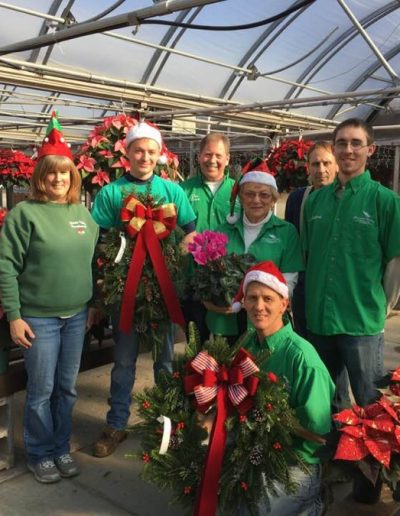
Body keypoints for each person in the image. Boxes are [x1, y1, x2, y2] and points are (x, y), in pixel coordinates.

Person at [0, 113, 99, 483]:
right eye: (51, 172)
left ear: (73, 176)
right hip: (39, 318)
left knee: (67, 388)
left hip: (76, 317)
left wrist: (92, 305)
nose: (58, 179)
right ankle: (40, 453)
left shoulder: (82, 214)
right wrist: (15, 315)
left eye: (65, 172)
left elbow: (91, 262)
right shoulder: (24, 214)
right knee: (40, 390)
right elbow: (6, 266)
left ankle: (60, 447)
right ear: (40, 175)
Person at [91, 121, 196, 457]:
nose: (145, 156)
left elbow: (192, 232)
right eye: (139, 150)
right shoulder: (111, 193)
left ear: (159, 155)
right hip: (125, 294)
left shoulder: (172, 191)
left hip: (162, 294)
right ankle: (117, 423)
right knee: (123, 363)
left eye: (152, 151)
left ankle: (165, 425)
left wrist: (179, 259)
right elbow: (98, 242)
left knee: (165, 362)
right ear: (128, 153)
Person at [302, 118, 400, 412]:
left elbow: (395, 262)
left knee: (371, 400)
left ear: (370, 149)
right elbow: (308, 257)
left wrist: (383, 306)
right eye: (342, 143)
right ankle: (332, 453)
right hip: (319, 320)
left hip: (361, 323)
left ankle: (375, 460)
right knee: (325, 399)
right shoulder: (316, 201)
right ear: (334, 148)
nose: (348, 149)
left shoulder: (385, 201)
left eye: (356, 143)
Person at [236, 261, 334, 515]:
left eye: (268, 298)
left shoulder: (303, 358)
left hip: (295, 463)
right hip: (257, 448)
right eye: (252, 298)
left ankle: (312, 502)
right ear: (244, 302)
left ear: (284, 303)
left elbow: (321, 434)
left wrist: (272, 419)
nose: (259, 306)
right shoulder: (248, 346)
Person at [205, 161, 304, 344]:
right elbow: (207, 273)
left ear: (273, 199)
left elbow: (289, 278)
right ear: (241, 198)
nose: (256, 200)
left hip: (265, 320)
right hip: (225, 320)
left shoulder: (286, 232)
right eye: (249, 194)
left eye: (264, 195)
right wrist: (210, 298)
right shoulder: (222, 230)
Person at [181, 132, 235, 342]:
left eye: (218, 155)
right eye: (207, 154)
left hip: (229, 285)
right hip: (192, 284)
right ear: (198, 156)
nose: (212, 160)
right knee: (197, 348)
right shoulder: (182, 191)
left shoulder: (239, 192)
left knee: (231, 349)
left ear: (228, 158)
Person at [285, 141, 338, 337]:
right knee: (304, 337)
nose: (321, 169)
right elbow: (290, 242)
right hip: (304, 284)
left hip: (334, 283)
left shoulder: (346, 199)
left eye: (327, 163)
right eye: (315, 164)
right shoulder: (297, 198)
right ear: (308, 167)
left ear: (337, 165)